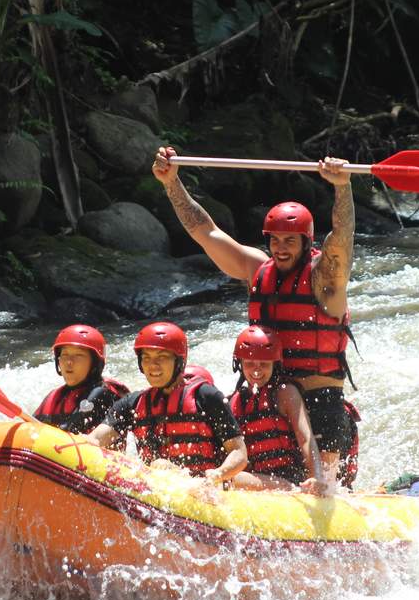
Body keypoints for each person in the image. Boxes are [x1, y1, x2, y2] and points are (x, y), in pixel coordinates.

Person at [153, 146, 358, 487]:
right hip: (266, 394)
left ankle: (326, 492)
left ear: (306, 242)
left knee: (319, 483)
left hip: (320, 401)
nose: (280, 248)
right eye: (275, 240)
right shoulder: (257, 269)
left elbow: (342, 240)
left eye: (289, 241)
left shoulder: (326, 278)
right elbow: (206, 232)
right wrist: (171, 183)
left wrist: (343, 187)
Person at [87, 321, 247, 486]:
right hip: (155, 488)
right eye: (146, 358)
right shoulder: (131, 403)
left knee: (162, 466)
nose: (153, 365)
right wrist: (88, 443)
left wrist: (217, 475)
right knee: (160, 466)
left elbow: (239, 452)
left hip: (202, 488)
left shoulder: (206, 397)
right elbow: (96, 439)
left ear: (179, 362)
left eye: (161, 357)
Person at [226, 325, 327, 495]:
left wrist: (316, 476)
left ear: (275, 364)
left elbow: (305, 438)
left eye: (264, 364)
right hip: (258, 481)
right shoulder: (234, 402)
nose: (257, 370)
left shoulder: (285, 393)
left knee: (234, 479)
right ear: (240, 363)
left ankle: (293, 490)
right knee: (230, 476)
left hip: (290, 482)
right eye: (250, 363)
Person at [34, 324, 129, 434]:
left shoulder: (104, 393)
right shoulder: (55, 396)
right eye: (64, 355)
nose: (69, 362)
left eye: (78, 355)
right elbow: (30, 427)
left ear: (95, 364)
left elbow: (71, 429)